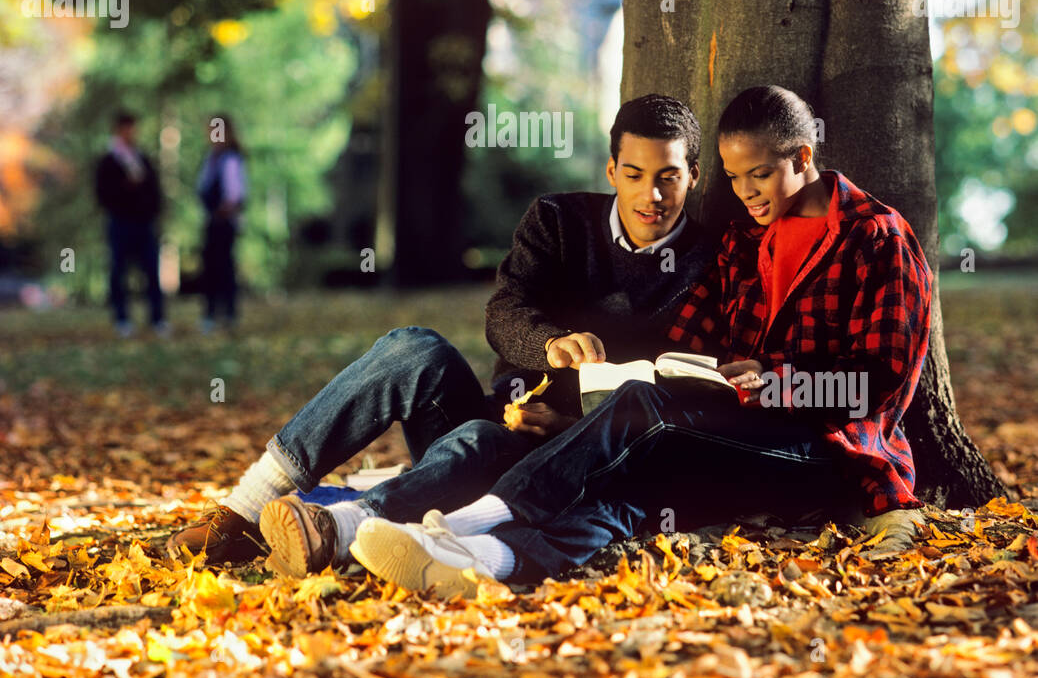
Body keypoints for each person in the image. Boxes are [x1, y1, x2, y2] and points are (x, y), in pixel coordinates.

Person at [346, 85, 934, 596]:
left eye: (759, 175)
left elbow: (875, 386)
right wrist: (586, 403)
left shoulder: (876, 238)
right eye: (734, 178)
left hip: (825, 452)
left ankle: (458, 525)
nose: (747, 192)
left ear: (803, 157)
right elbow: (678, 349)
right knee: (634, 481)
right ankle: (485, 562)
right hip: (732, 441)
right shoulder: (743, 244)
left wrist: (771, 378)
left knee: (645, 416)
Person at [166, 94, 717, 567]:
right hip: (498, 412)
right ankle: (237, 514)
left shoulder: (715, 260)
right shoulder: (559, 219)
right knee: (414, 347)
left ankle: (335, 530)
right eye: (636, 175)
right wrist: (549, 344)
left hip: (567, 463)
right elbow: (504, 311)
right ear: (612, 170)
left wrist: (568, 425)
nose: (653, 197)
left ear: (693, 175)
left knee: (480, 441)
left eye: (669, 177)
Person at [95, 110, 167, 336]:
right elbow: (103, 194)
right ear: (118, 130)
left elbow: (155, 191)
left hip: (144, 223)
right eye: (127, 128)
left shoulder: (141, 158)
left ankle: (157, 319)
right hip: (121, 223)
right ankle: (122, 319)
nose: (131, 133)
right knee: (119, 271)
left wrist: (153, 211)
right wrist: (126, 188)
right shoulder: (109, 161)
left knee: (151, 271)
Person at [197, 116, 247, 330]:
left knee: (223, 267)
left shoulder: (230, 159)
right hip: (213, 220)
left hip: (223, 223)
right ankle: (213, 313)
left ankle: (227, 313)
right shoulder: (212, 159)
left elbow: (236, 194)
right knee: (211, 268)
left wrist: (224, 211)